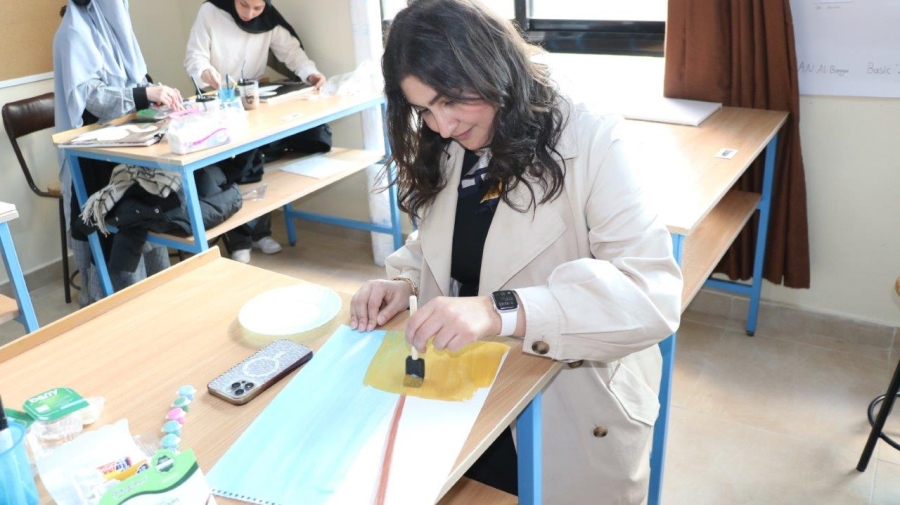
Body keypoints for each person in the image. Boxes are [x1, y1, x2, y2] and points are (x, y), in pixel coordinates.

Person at [349, 0, 682, 502]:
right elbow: (451, 241)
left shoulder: (593, 138)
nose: (442, 126)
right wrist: (404, 281)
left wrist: (500, 310)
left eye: (449, 100)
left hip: (566, 396)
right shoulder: (451, 141)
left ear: (492, 66)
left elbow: (650, 297)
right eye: (424, 110)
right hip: (465, 386)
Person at [53, 0, 184, 307]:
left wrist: (156, 93)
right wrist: (143, 94)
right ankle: (117, 308)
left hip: (125, 145)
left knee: (143, 218)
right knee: (115, 230)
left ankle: (155, 301)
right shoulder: (74, 33)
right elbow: (91, 97)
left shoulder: (111, 26)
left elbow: (135, 79)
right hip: (95, 155)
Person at [184, 0, 333, 264]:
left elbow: (291, 52)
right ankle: (239, 240)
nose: (250, 13)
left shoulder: (269, 20)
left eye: (257, 8)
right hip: (218, 102)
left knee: (255, 167)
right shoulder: (211, 11)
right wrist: (206, 72)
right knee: (230, 173)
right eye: (244, 5)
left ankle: (261, 232)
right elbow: (194, 55)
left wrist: (310, 73)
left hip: (252, 99)